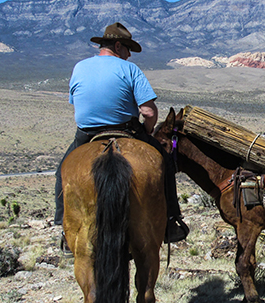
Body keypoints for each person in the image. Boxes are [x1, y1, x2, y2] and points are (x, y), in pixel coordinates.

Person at [54, 22, 187, 249]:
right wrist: (147, 131)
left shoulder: (80, 67)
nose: (128, 56)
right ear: (118, 45)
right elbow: (148, 111)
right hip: (125, 129)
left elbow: (76, 101)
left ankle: (64, 228)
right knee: (163, 163)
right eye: (127, 50)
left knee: (62, 170)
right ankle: (170, 220)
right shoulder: (129, 70)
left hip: (86, 134)